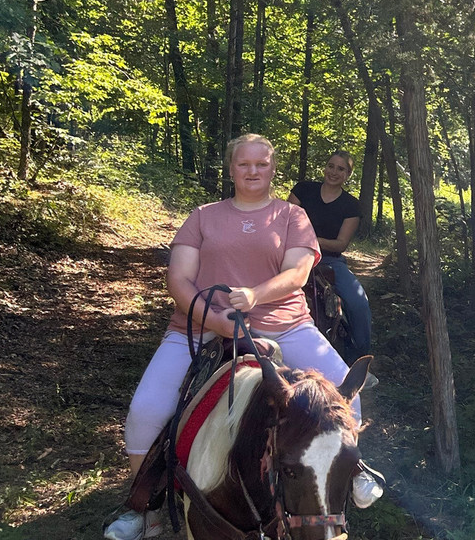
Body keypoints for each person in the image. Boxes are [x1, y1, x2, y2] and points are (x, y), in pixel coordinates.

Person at [104, 134, 372, 540]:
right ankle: (146, 509)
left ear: (272, 169)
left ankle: (349, 475)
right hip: (197, 326)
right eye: (244, 164)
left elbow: (297, 273)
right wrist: (216, 321)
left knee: (346, 395)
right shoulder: (202, 216)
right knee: (145, 410)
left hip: (285, 322)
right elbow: (178, 279)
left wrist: (254, 295)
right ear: (230, 169)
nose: (252, 171)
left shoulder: (290, 217)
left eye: (261, 164)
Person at [288, 150, 372, 362]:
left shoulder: (351, 205)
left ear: (348, 175)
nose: (334, 172)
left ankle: (359, 358)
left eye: (341, 169)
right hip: (292, 254)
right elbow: (284, 221)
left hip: (329, 260)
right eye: (331, 166)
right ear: (325, 167)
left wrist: (311, 239)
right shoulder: (303, 190)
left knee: (358, 303)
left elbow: (341, 244)